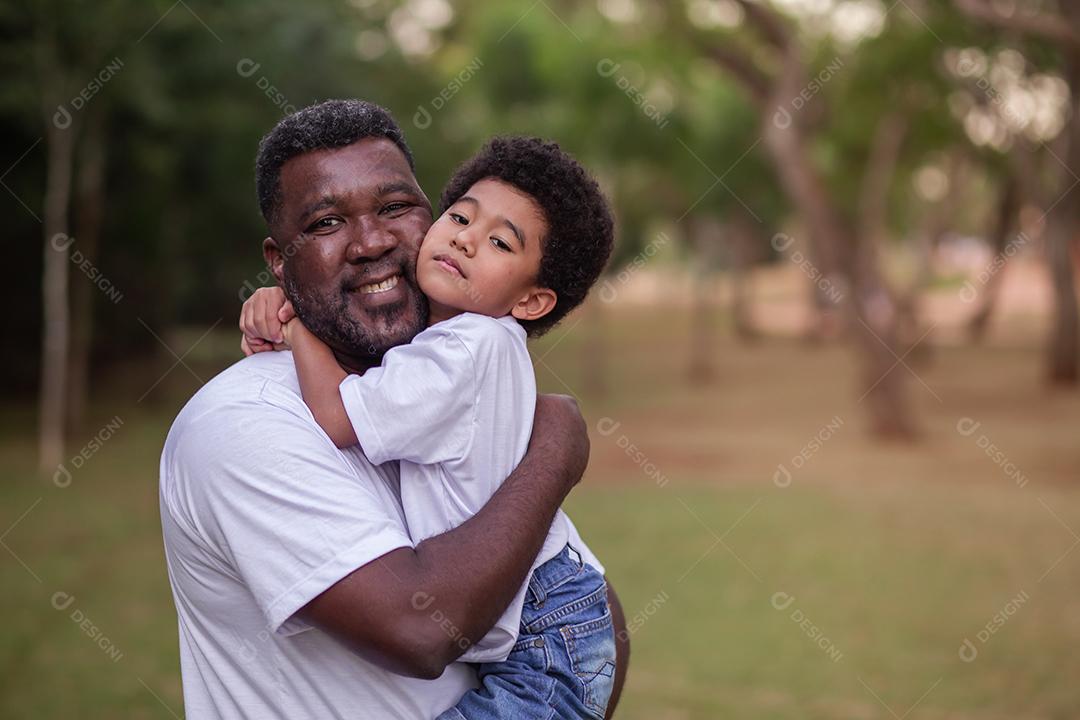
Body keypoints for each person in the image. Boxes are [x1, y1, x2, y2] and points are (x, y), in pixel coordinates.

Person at [158, 99, 628, 720]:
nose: (372, 242)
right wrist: (554, 450)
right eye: (326, 223)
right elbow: (422, 629)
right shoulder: (245, 425)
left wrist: (297, 318)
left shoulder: (434, 371)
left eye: (396, 208)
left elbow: (579, 616)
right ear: (278, 260)